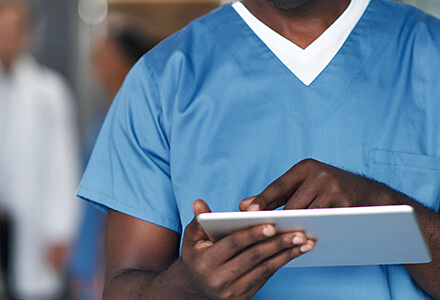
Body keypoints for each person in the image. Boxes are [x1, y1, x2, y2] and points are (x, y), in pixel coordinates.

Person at [77, 0, 440, 298]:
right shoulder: (161, 82)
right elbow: (123, 286)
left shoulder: (430, 55)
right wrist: (188, 287)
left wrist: (381, 205)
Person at [68, 16, 158, 300]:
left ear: (123, 59)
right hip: (88, 232)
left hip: (114, 241)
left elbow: (121, 200)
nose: (95, 62)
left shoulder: (136, 117)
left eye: (103, 54)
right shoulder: (102, 113)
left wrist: (99, 267)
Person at [0, 0, 79, 299]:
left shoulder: (49, 92)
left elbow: (61, 167)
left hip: (31, 224)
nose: (5, 39)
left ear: (26, 34)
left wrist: (59, 230)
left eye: (12, 31)